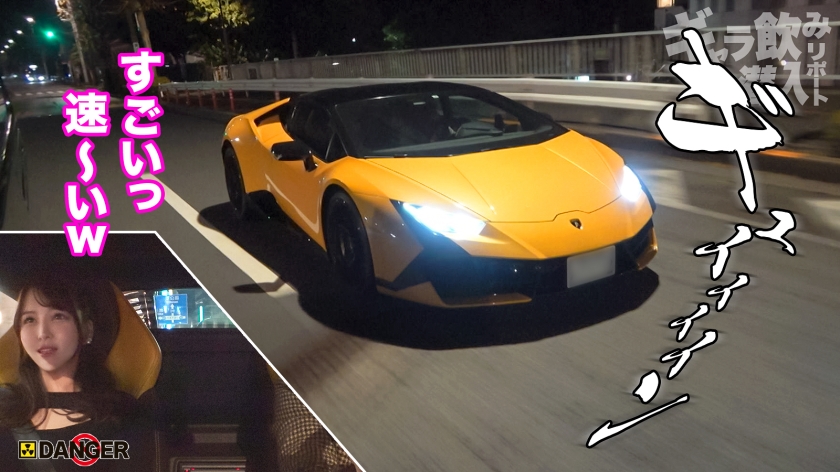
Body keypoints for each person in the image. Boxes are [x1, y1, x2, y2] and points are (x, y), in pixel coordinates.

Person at [0, 275, 155, 471]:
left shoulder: (122, 414)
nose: (42, 333)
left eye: (58, 316)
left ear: (86, 330)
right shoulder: (4, 407)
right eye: (29, 319)